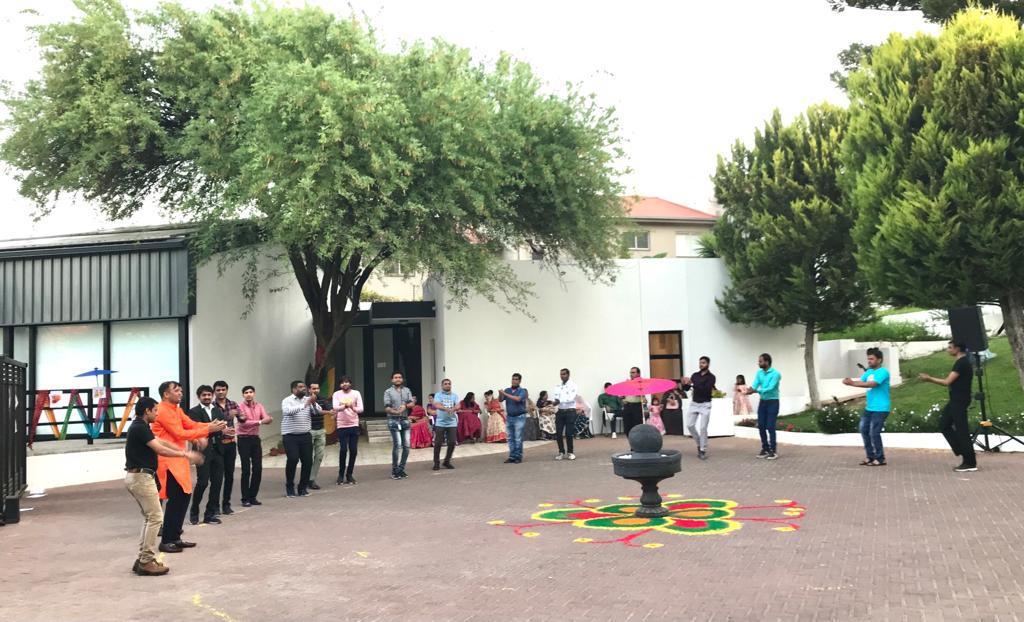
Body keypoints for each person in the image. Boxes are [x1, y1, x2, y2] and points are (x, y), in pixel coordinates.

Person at [124, 396, 204, 576]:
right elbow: (159, 449)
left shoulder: (142, 427)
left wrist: (183, 451)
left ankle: (143, 558)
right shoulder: (139, 427)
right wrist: (185, 455)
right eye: (155, 410)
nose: (157, 414)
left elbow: (161, 441)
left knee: (150, 517)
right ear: (147, 411)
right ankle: (146, 560)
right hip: (141, 478)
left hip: (139, 477)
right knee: (155, 518)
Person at [151, 381, 226, 554]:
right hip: (167, 459)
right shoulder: (162, 410)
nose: (180, 393)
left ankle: (175, 536)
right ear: (166, 394)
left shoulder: (177, 410)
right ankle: (167, 540)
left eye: (181, 390)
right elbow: (179, 433)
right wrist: (208, 429)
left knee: (184, 496)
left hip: (179, 459)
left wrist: (208, 427)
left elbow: (190, 424)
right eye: (176, 390)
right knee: (176, 498)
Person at [919, 341, 977, 472]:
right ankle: (962, 450)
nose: (948, 350)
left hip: (960, 400)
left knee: (962, 430)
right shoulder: (962, 362)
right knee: (944, 424)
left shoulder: (961, 363)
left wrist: (929, 378)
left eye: (950, 347)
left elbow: (947, 381)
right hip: (956, 399)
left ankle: (970, 462)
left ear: (957, 349)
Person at [843, 347, 891, 467]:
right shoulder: (868, 372)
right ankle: (870, 457)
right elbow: (862, 382)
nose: (869, 361)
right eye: (868, 358)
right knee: (864, 430)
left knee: (874, 433)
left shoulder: (883, 372)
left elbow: (873, 384)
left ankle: (880, 459)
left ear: (879, 360)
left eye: (872, 359)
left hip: (881, 408)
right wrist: (850, 381)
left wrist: (852, 383)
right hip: (869, 408)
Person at [186, 385, 226, 525]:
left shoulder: (217, 410)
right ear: (199, 397)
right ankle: (194, 510)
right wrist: (211, 427)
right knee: (202, 482)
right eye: (204, 395)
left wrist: (223, 430)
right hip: (202, 451)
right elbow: (194, 429)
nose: (207, 397)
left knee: (217, 482)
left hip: (218, 450)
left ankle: (210, 514)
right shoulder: (194, 412)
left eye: (209, 395)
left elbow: (221, 427)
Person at [280, 380, 319, 497]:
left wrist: (313, 403)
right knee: (293, 459)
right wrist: (305, 404)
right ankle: (289, 487)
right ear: (294, 389)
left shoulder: (308, 399)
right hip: (290, 435)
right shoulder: (287, 400)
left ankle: (302, 488)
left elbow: (317, 412)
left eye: (304, 387)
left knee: (307, 462)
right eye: (300, 387)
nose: (304, 389)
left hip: (305, 435)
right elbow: (288, 412)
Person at [236, 385, 272, 507]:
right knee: (246, 470)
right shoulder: (239, 407)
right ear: (243, 395)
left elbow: (266, 417)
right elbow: (244, 423)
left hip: (255, 439)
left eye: (251, 392)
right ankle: (245, 498)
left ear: (254, 393)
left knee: (258, 469)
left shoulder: (259, 406)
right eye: (246, 392)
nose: (249, 394)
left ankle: (253, 497)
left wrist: (268, 419)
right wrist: (261, 422)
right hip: (243, 440)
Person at [746, 353, 781, 460]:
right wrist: (750, 390)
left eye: (760, 361)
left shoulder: (776, 374)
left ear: (767, 362)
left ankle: (773, 450)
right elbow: (755, 384)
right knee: (761, 425)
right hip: (763, 402)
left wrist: (756, 391)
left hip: (773, 402)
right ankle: (765, 448)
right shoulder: (759, 373)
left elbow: (770, 388)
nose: (758, 363)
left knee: (770, 426)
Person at [212, 380, 239, 515]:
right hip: (218, 444)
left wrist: (241, 415)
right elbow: (214, 423)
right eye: (218, 390)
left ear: (227, 390)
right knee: (217, 477)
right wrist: (229, 416)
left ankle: (226, 504)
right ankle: (215, 506)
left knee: (229, 475)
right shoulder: (212, 406)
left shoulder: (232, 404)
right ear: (214, 392)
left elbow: (242, 418)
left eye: (223, 389)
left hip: (231, 443)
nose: (221, 392)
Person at [682, 356, 717, 460]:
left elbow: (705, 389)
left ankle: (702, 449)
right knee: (689, 425)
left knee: (703, 427)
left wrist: (692, 384)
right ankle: (699, 443)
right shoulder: (695, 375)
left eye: (703, 363)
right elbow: (687, 389)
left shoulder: (711, 377)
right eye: (700, 363)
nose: (701, 364)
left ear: (708, 364)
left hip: (705, 404)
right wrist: (685, 383)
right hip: (694, 403)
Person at [332, 376, 363, 485]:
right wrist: (345, 406)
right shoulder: (336, 394)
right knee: (343, 450)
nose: (344, 384)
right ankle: (341, 474)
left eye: (346, 382)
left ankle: (349, 474)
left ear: (350, 383)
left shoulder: (356, 393)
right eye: (342, 382)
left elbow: (361, 409)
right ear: (340, 385)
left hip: (354, 424)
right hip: (341, 425)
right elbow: (335, 407)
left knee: (353, 450)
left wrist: (352, 407)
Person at [383, 371, 414, 480]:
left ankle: (401, 469)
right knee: (398, 445)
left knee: (407, 445)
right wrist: (395, 412)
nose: (398, 379)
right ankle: (394, 470)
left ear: (402, 379)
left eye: (400, 377)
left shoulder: (407, 390)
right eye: (395, 377)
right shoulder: (388, 392)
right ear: (392, 380)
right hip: (393, 420)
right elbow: (386, 407)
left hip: (405, 420)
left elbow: (412, 403)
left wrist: (405, 406)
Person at [307, 382, 331, 490]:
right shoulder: (305, 400)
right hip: (308, 431)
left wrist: (330, 411)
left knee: (319, 456)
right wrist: (326, 412)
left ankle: (311, 479)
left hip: (320, 430)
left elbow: (329, 408)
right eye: (313, 388)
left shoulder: (323, 399)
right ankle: (305, 478)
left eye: (317, 388)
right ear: (309, 390)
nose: (315, 390)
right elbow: (318, 411)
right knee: (307, 457)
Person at [499, 373, 528, 463]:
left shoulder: (522, 391)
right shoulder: (507, 390)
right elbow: (500, 399)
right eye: (513, 379)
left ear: (519, 381)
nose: (514, 381)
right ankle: (512, 456)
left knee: (518, 438)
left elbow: (518, 399)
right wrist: (500, 394)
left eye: (516, 379)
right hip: (510, 417)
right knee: (510, 438)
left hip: (519, 417)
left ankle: (518, 457)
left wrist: (505, 393)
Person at [432, 379, 460, 470]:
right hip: (440, 422)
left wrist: (454, 408)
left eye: (449, 384)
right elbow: (436, 405)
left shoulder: (454, 395)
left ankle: (447, 461)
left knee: (452, 442)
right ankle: (436, 463)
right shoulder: (438, 395)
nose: (447, 385)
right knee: (438, 443)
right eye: (445, 384)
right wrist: (446, 409)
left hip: (452, 422)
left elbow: (458, 405)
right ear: (442, 386)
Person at [552, 368, 579, 460]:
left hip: (570, 411)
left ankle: (570, 452)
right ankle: (561, 452)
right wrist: (553, 402)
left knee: (568, 433)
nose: (562, 376)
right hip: (560, 411)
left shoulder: (573, 385)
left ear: (568, 375)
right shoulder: (557, 386)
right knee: (558, 433)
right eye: (561, 374)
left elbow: (571, 398)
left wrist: (558, 401)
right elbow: (556, 398)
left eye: (564, 374)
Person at [622, 367, 644, 434]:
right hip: (627, 406)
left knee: (637, 425)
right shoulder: (627, 382)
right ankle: (630, 438)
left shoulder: (641, 383)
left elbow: (640, 394)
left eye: (633, 372)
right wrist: (623, 399)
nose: (631, 374)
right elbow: (622, 394)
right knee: (627, 426)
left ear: (638, 374)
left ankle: (637, 439)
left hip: (636, 406)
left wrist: (633, 385)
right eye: (630, 372)